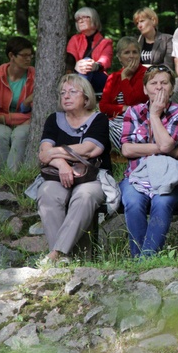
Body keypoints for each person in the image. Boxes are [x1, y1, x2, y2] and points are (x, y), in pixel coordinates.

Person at [36, 74, 110, 265]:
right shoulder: (54, 119)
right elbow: (43, 154)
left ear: (86, 97)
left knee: (84, 196)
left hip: (92, 177)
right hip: (57, 176)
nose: (66, 96)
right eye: (63, 93)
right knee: (47, 193)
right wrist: (61, 164)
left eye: (72, 92)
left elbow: (89, 149)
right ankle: (65, 259)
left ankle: (57, 254)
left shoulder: (99, 119)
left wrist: (56, 152)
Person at [119, 65, 178, 257]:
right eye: (153, 83)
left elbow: (167, 144)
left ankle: (145, 260)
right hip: (136, 177)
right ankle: (140, 259)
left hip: (171, 180)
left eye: (164, 83)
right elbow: (126, 149)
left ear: (172, 87)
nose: (159, 88)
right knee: (133, 202)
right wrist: (170, 150)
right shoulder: (132, 113)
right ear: (145, 89)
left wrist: (154, 115)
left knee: (162, 202)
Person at [0, 36, 35, 171]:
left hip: (24, 123)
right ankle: (3, 178)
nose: (28, 59)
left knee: (19, 136)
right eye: (24, 55)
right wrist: (21, 119)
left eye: (30, 55)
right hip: (2, 121)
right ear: (11, 56)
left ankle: (11, 178)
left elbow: (37, 111)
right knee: (1, 135)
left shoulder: (35, 75)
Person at [99, 37, 148, 152]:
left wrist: (125, 77)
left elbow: (133, 100)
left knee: (107, 127)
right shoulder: (113, 77)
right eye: (127, 52)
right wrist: (123, 108)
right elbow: (103, 106)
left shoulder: (145, 74)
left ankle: (126, 150)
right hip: (115, 120)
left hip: (138, 120)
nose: (131, 56)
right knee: (100, 124)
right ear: (120, 57)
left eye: (134, 52)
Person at [66, 7, 113, 95]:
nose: (80, 21)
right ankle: (80, 92)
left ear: (94, 19)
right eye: (78, 19)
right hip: (76, 75)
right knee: (85, 62)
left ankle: (78, 94)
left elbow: (106, 61)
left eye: (84, 17)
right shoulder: (74, 39)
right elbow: (70, 59)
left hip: (98, 77)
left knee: (87, 61)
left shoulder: (105, 42)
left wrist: (95, 65)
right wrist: (75, 66)